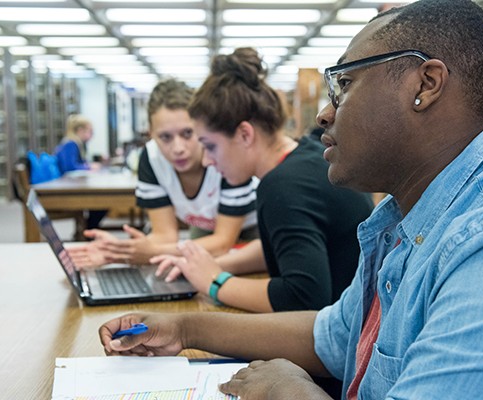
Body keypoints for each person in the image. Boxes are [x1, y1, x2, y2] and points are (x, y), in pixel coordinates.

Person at [99, 0, 483, 399]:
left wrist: (287, 390)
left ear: (425, 84)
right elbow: (332, 336)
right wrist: (184, 329)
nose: (323, 113)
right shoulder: (406, 218)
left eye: (346, 84)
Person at [150, 48, 373, 313]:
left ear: (244, 134)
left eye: (210, 146)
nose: (207, 161)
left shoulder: (281, 187)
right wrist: (214, 265)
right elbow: (287, 249)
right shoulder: (305, 155)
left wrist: (214, 282)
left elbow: (303, 299)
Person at [67, 78, 259, 267]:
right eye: (165, 137)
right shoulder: (151, 159)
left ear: (201, 126)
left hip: (254, 228)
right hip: (205, 230)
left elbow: (223, 242)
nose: (178, 148)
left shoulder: (222, 154)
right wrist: (115, 251)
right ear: (151, 132)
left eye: (187, 133)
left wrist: (140, 253)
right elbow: (165, 236)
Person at [54, 114, 105, 230]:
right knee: (101, 201)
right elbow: (70, 168)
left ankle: (87, 230)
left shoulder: (76, 144)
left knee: (99, 202)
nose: (92, 134)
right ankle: (88, 230)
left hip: (68, 185)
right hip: (66, 189)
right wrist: (89, 168)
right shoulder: (71, 143)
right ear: (81, 130)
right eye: (90, 131)